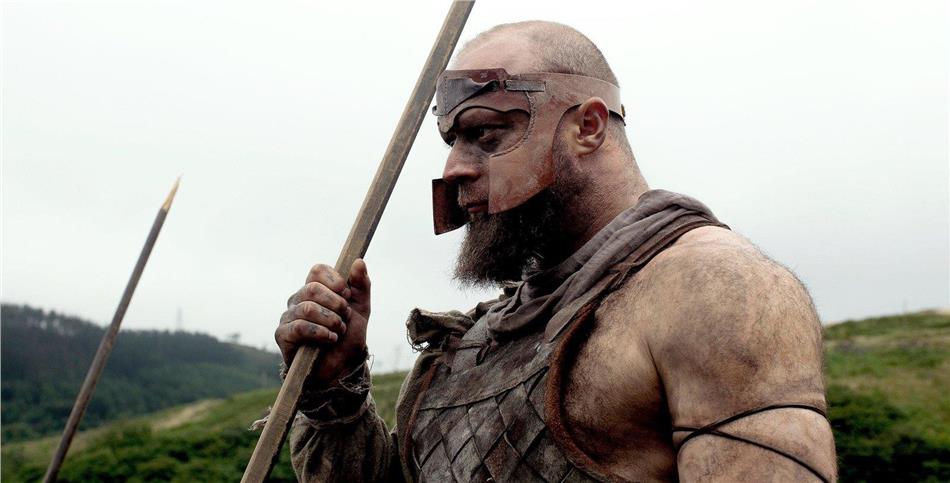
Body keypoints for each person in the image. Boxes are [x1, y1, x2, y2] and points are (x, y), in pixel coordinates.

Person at [274, 21, 836, 482]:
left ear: (587, 126)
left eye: (486, 133)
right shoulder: (473, 344)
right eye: (454, 140)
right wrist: (332, 387)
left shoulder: (713, 286)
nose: (455, 168)